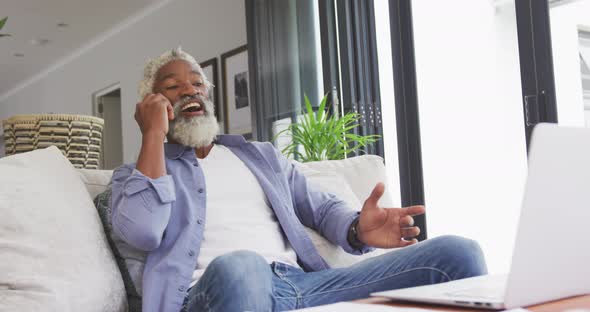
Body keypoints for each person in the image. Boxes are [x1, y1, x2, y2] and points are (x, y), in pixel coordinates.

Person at [110, 47, 487, 312]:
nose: (190, 89)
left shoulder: (260, 156)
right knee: (243, 266)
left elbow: (322, 209)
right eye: (174, 87)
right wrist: (152, 137)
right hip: (215, 291)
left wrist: (358, 229)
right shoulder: (137, 174)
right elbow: (143, 231)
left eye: (197, 83)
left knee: (459, 253)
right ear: (151, 104)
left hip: (302, 286)